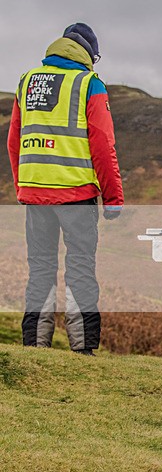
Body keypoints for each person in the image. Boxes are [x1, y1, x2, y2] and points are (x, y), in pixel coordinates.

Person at [7, 22, 124, 356]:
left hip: (35, 194)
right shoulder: (89, 83)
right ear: (89, 54)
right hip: (77, 193)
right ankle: (82, 348)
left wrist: (21, 185)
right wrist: (113, 196)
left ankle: (35, 347)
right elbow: (103, 144)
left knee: (40, 268)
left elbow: (14, 140)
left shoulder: (27, 81)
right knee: (80, 268)